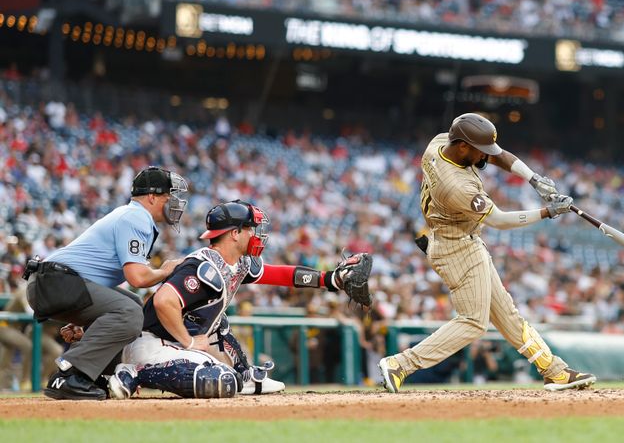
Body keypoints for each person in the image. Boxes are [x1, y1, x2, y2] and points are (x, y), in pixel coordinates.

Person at [379, 113, 596, 392]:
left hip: (460, 241)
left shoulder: (441, 142)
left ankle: (554, 371)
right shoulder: (455, 185)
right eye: (480, 150)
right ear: (463, 147)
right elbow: (500, 221)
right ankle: (401, 364)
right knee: (473, 322)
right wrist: (548, 212)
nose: (487, 156)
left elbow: (498, 155)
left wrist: (533, 179)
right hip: (456, 247)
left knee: (507, 315)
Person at [104, 199, 372, 399]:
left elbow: (278, 274)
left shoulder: (236, 263)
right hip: (152, 346)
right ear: (234, 233)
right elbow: (164, 301)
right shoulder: (203, 266)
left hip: (175, 343)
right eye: (250, 229)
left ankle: (246, 375)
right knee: (221, 381)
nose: (256, 234)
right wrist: (187, 341)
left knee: (219, 323)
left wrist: (329, 280)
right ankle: (134, 373)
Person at [25, 166, 189, 400]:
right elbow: (137, 277)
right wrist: (164, 271)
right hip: (56, 282)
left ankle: (93, 376)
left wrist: (89, 324)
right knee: (130, 313)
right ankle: (70, 374)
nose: (173, 202)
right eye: (168, 196)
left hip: (58, 282)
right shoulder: (136, 216)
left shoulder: (132, 215)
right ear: (152, 196)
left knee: (130, 303)